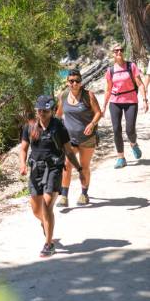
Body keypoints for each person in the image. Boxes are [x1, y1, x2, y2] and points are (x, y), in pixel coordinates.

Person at [19, 95, 85, 258]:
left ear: (52, 111)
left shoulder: (59, 127)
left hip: (54, 169)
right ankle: (45, 223)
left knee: (47, 206)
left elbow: (69, 151)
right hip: (36, 169)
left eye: (45, 110)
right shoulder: (30, 127)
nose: (41, 113)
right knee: (36, 210)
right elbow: (23, 149)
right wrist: (22, 164)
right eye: (39, 110)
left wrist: (79, 169)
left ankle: (49, 244)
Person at [56, 69, 102, 207]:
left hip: (87, 139)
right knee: (66, 165)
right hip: (70, 139)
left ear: (81, 82)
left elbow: (98, 113)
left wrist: (92, 124)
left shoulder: (89, 96)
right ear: (67, 82)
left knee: (84, 166)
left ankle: (84, 194)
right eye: (71, 81)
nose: (74, 83)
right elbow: (58, 115)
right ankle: (64, 197)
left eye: (77, 81)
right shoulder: (63, 96)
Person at [101, 43, 148, 168]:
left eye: (121, 50)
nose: (119, 52)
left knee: (129, 129)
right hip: (115, 101)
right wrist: (104, 106)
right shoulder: (110, 71)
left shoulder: (131, 66)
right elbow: (108, 89)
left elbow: (140, 84)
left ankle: (133, 143)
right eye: (116, 51)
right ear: (113, 54)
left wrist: (144, 99)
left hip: (131, 101)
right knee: (116, 129)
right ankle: (121, 158)